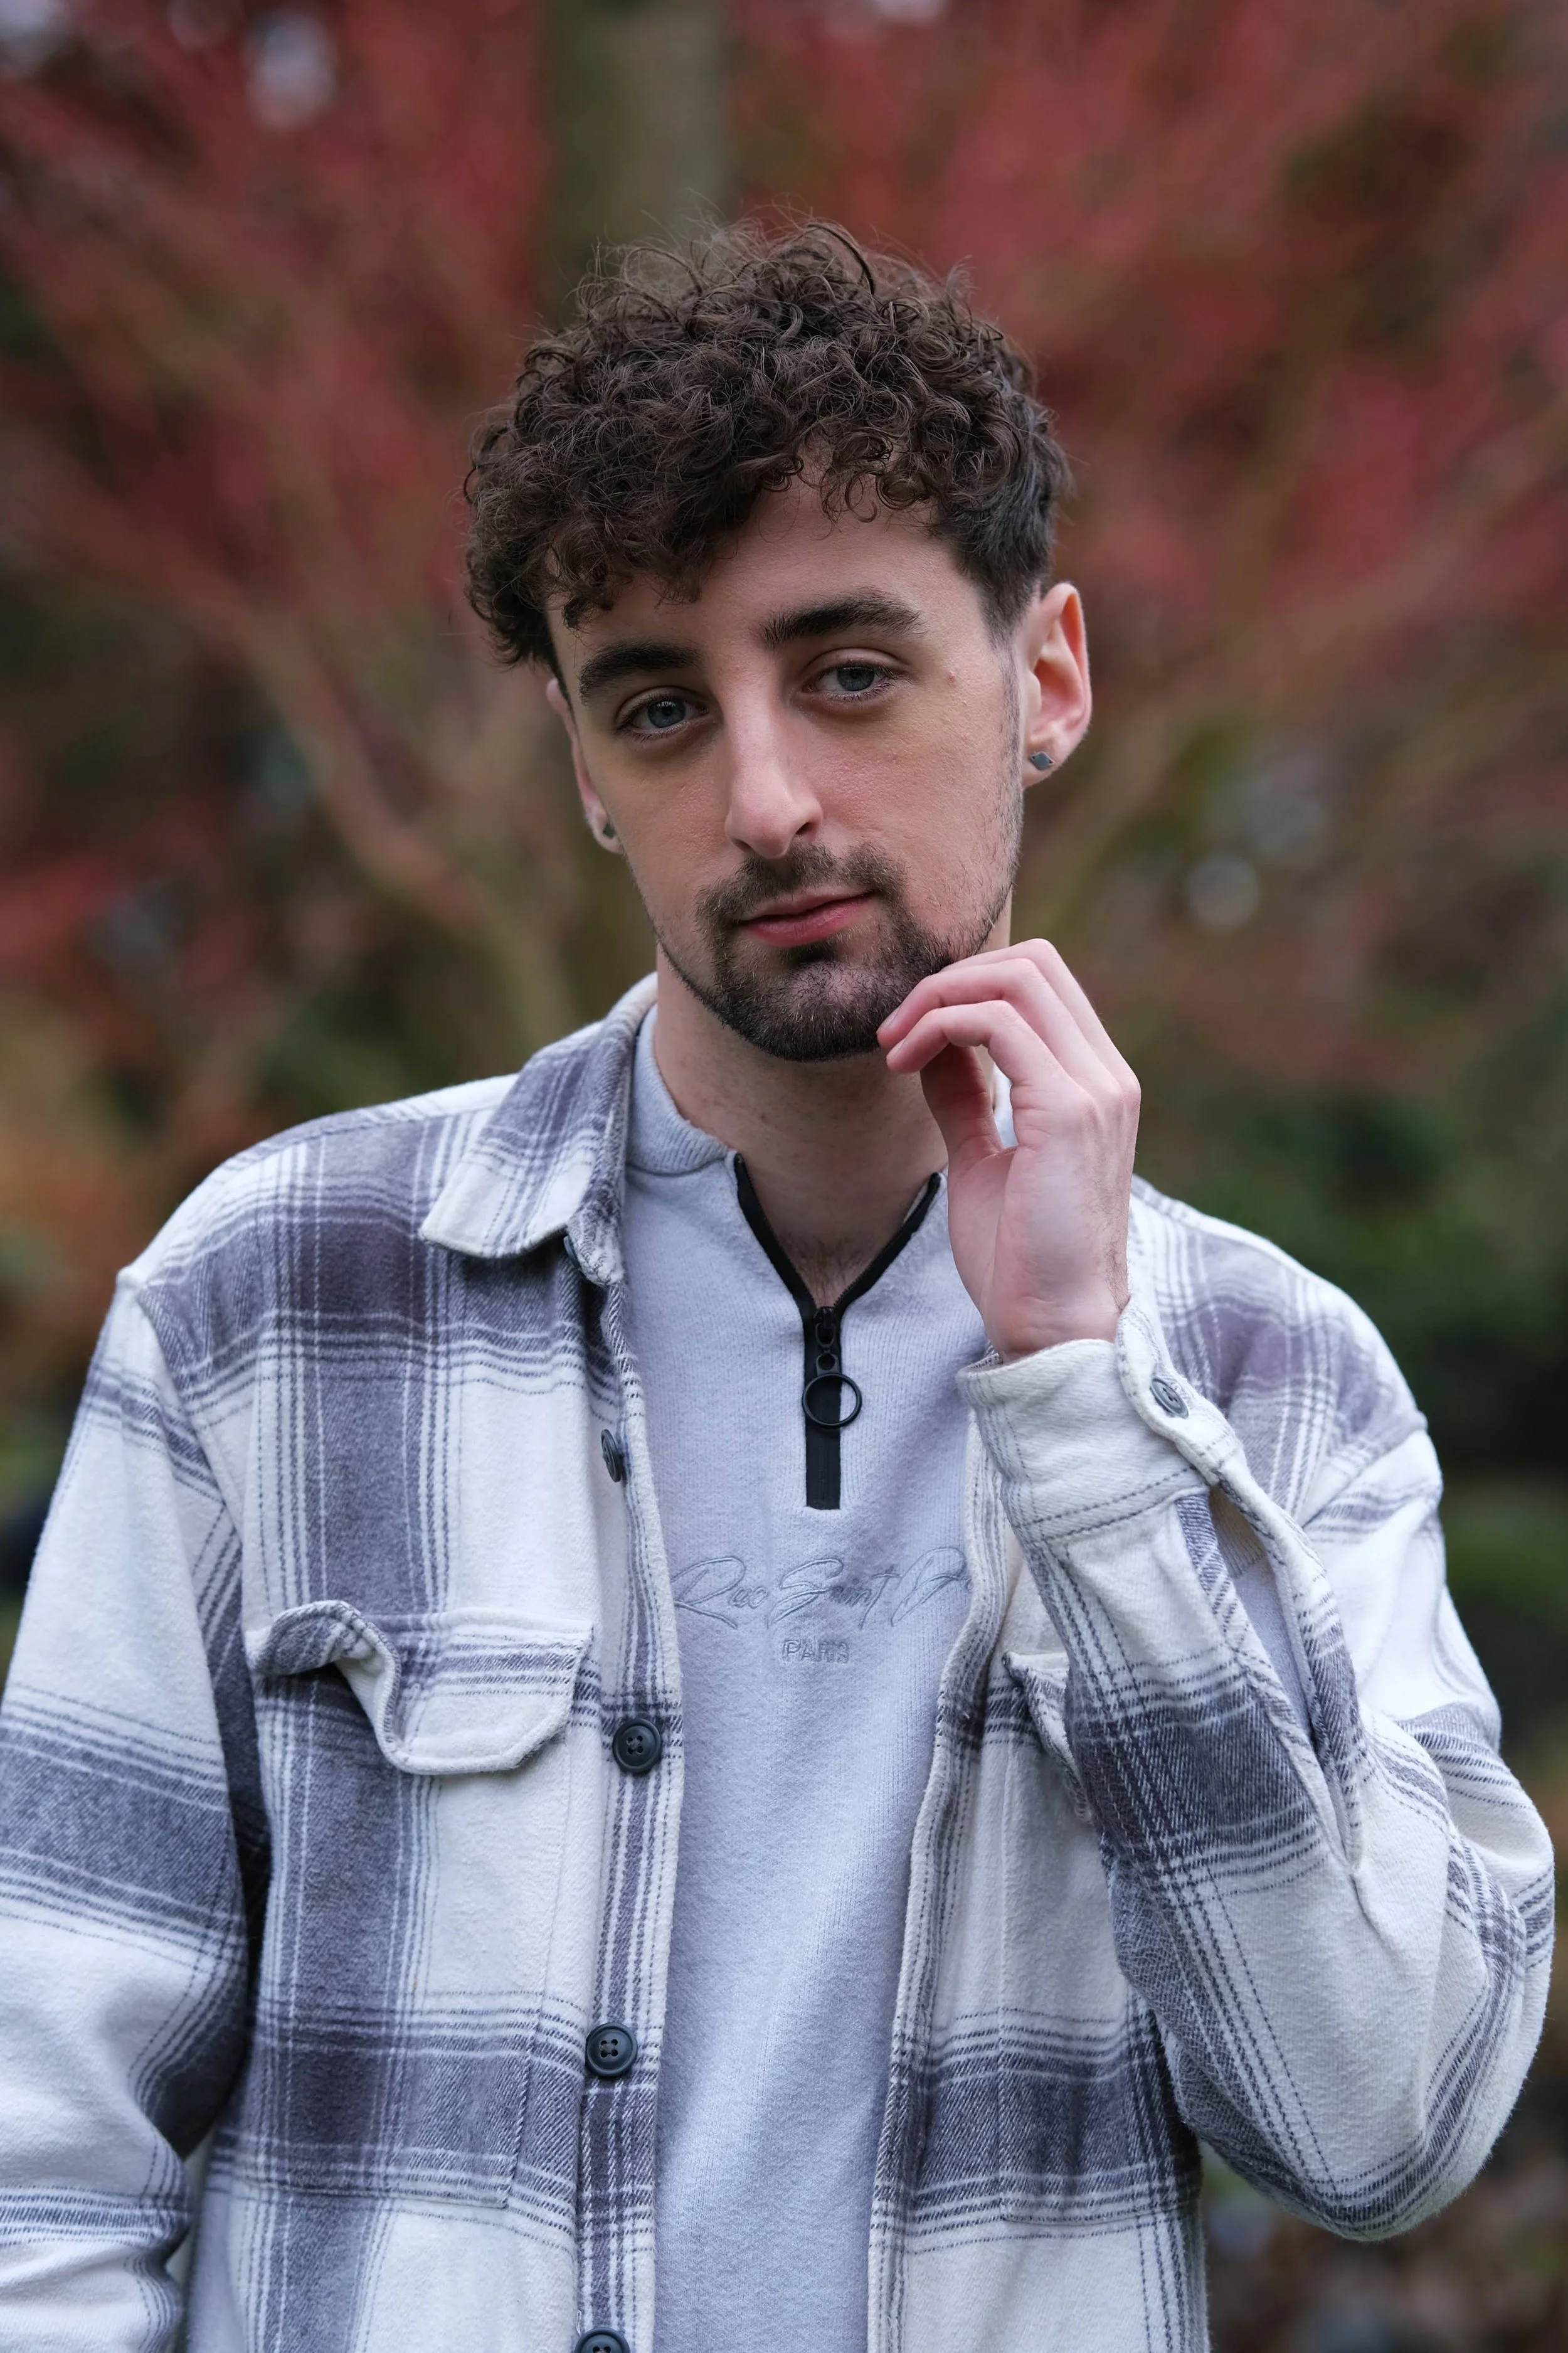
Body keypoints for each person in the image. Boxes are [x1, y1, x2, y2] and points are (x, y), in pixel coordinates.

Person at [0, 223, 1551, 2353]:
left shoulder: (1271, 1385)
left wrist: (1090, 1420)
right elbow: (39, 2158)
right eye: (657, 705)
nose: (761, 801)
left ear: (1049, 678)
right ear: (581, 769)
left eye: (846, 669)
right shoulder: (275, 1303)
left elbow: (1377, 2131)